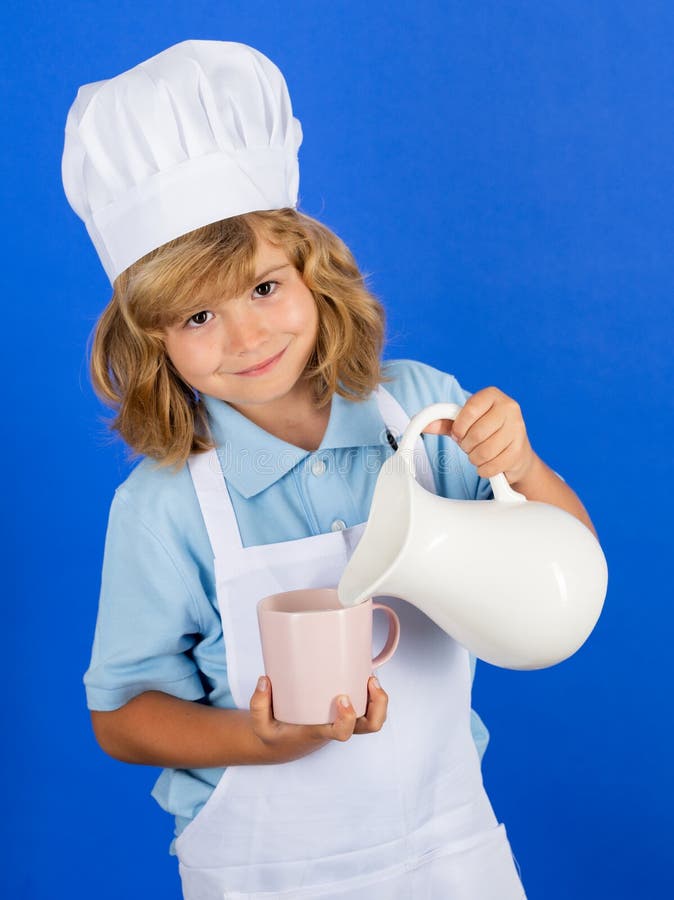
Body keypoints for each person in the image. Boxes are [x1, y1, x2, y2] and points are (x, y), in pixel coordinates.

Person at [62, 40, 597, 899]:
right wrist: (260, 739)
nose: (247, 338)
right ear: (149, 339)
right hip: (266, 872)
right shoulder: (164, 506)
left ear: (314, 272)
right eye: (199, 315)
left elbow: (565, 568)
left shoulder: (421, 416)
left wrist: (523, 466)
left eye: (265, 289)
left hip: (448, 851)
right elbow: (122, 717)